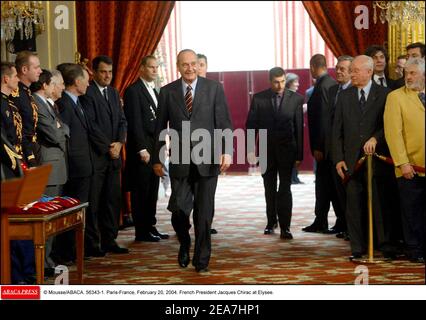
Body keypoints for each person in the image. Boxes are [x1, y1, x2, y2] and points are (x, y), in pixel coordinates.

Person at [153, 49, 233, 273]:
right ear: (178, 66)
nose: (190, 68)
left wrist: (227, 151)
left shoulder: (214, 88)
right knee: (178, 209)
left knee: (204, 214)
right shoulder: (167, 92)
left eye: (193, 64)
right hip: (179, 160)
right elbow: (160, 127)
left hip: (208, 160)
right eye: (184, 65)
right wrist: (158, 159)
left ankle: (201, 259)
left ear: (199, 65)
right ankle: (184, 242)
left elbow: (224, 122)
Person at [332, 55, 395, 260]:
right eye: (351, 70)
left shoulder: (385, 95)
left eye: (355, 70)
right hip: (351, 162)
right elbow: (337, 130)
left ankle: (384, 244)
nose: (352, 74)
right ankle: (357, 248)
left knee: (379, 203)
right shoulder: (345, 96)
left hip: (377, 160)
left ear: (369, 72)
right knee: (354, 205)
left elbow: (388, 126)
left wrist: (375, 139)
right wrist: (338, 158)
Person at [246, 67, 304, 239]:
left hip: (288, 150)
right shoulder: (259, 99)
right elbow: (251, 126)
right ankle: (271, 222)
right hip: (265, 150)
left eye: (283, 81)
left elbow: (299, 128)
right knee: (269, 188)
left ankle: (286, 227)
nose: (280, 85)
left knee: (285, 188)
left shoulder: (296, 99)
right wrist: (250, 151)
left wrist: (299, 155)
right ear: (270, 81)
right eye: (276, 82)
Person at [84, 55, 129, 255]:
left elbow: (122, 121)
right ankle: (93, 244)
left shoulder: (113, 92)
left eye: (110, 72)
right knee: (95, 203)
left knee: (112, 200)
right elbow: (91, 126)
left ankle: (110, 240)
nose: (107, 75)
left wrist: (119, 143)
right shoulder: (88, 93)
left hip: (115, 155)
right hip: (98, 157)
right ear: (93, 72)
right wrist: (108, 147)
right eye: (103, 71)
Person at [384, 57, 425, 264]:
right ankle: (414, 249)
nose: (407, 77)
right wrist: (403, 163)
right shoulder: (395, 97)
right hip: (410, 167)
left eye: (412, 73)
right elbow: (394, 133)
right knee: (412, 211)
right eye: (406, 73)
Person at [124, 55, 169, 242]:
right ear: (141, 68)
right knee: (141, 191)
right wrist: (142, 148)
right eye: (150, 67)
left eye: (156, 67)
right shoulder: (133, 90)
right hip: (142, 149)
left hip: (155, 147)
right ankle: (141, 231)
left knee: (152, 189)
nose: (154, 71)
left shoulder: (156, 91)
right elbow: (134, 122)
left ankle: (150, 226)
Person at [31, 69, 69, 275]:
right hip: (48, 166)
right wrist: (61, 129)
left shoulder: (49, 104)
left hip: (57, 165)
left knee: (54, 217)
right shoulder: (36, 103)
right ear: (47, 85)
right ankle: (43, 263)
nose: (61, 87)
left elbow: (63, 128)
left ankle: (47, 260)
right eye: (59, 83)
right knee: (46, 217)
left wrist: (60, 128)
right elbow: (55, 134)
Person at [54, 64, 93, 264]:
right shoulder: (65, 104)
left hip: (83, 166)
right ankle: (67, 253)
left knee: (79, 211)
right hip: (74, 169)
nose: (88, 83)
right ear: (77, 82)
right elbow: (64, 138)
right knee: (71, 212)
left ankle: (74, 251)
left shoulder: (78, 102)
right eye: (85, 79)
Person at [304, 54, 340, 233]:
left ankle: (330, 220)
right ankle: (321, 220)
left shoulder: (325, 85)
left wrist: (319, 147)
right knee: (325, 185)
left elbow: (324, 120)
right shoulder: (328, 84)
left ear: (312, 66)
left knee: (328, 185)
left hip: (324, 148)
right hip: (325, 147)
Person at [325, 55, 353, 237]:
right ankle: (344, 225)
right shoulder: (332, 90)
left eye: (343, 68)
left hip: (349, 152)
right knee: (338, 194)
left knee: (350, 194)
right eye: (337, 68)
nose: (339, 71)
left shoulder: (354, 92)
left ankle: (353, 229)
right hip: (333, 151)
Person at [196, 53, 219, 234]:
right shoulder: (179, 90)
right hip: (185, 151)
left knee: (208, 194)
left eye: (202, 64)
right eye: (197, 64)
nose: (199, 67)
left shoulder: (214, 89)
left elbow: (222, 121)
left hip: (209, 149)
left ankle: (205, 225)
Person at [10, 51, 42, 167]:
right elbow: (18, 128)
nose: (40, 71)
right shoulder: (15, 94)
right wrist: (29, 156)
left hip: (33, 148)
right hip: (24, 153)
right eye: (36, 67)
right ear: (24, 70)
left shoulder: (27, 92)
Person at [285, 73, 303, 185]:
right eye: (295, 82)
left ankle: (295, 177)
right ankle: (291, 177)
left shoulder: (297, 97)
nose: (298, 84)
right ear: (289, 83)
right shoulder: (287, 97)